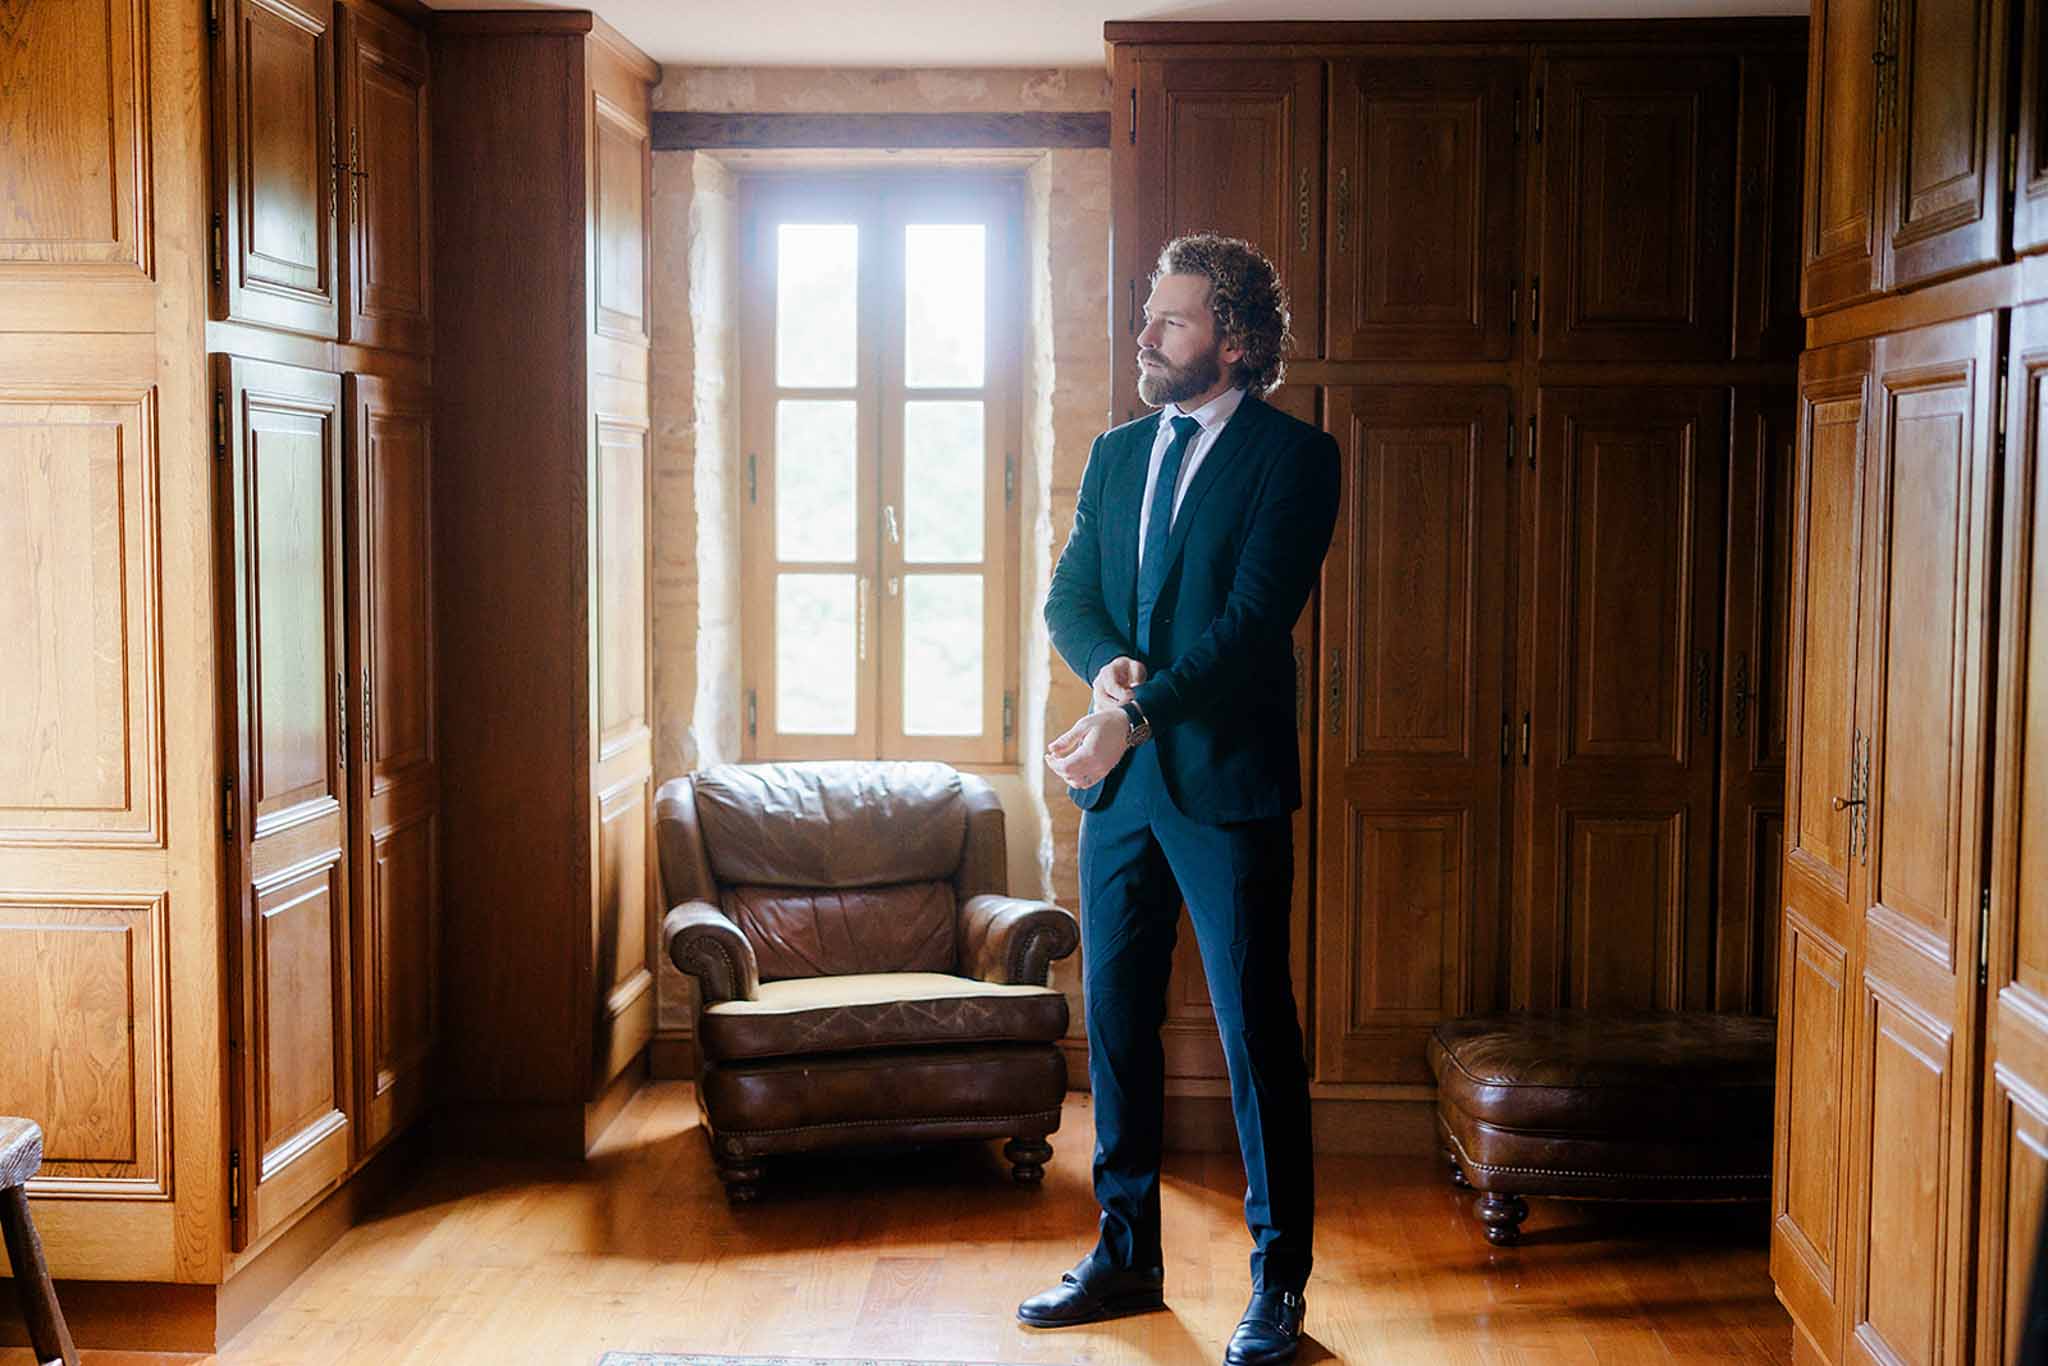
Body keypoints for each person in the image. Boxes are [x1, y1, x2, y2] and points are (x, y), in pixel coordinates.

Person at [1023, 233, 1339, 1366]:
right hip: (1121, 787)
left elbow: (1250, 629)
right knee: (1113, 1020)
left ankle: (1277, 1284)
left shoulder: (1294, 459)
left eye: (1172, 318)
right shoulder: (1114, 453)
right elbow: (1068, 596)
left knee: (1256, 1032)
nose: (1145, 335)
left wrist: (1136, 710)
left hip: (1225, 788)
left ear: (1236, 337)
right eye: (1145, 314)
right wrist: (1105, 669)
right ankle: (1123, 1254)